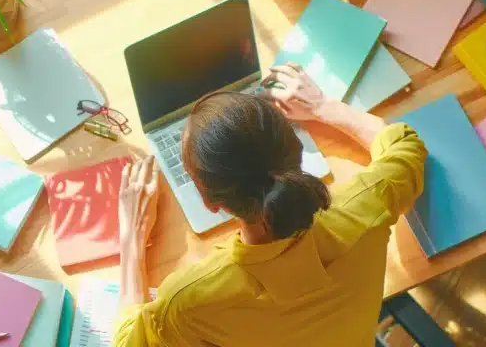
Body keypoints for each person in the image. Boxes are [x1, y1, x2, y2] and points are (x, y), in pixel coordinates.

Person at [113, 63, 428, 346]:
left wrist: (131, 239)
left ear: (210, 202)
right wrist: (322, 106)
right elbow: (406, 147)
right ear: (295, 148)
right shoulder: (367, 206)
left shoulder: (189, 301)